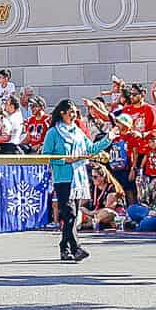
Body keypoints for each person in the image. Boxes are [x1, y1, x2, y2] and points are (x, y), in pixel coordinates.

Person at [42, 99, 105, 261]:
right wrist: (65, 160)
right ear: (62, 113)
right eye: (71, 111)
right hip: (63, 178)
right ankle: (76, 247)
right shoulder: (54, 133)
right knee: (69, 213)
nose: (74, 114)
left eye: (76, 111)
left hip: (79, 178)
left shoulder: (77, 131)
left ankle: (65, 247)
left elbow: (90, 149)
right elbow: (46, 156)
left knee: (72, 215)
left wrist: (109, 138)